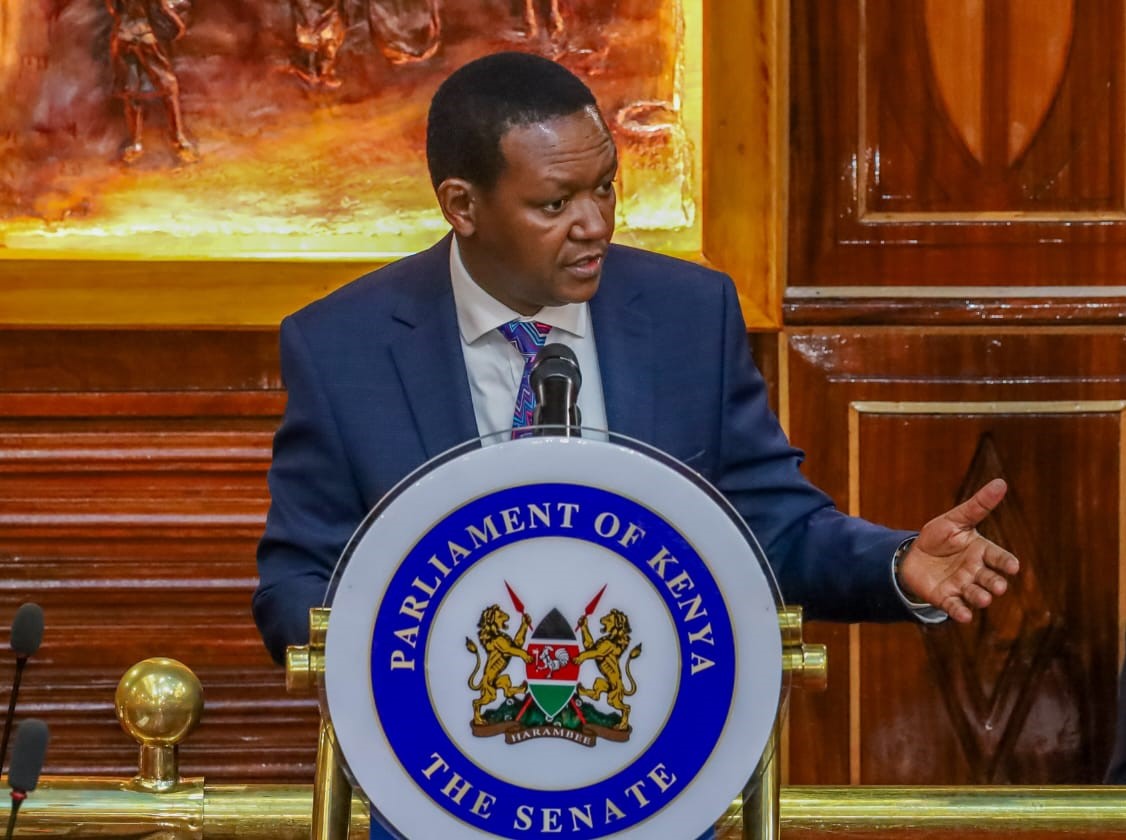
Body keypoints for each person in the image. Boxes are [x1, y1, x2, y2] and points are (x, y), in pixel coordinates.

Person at [253, 56, 1020, 832]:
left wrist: (898, 563)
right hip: (447, 791)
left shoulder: (688, 314)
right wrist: (415, 648)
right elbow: (296, 581)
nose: (595, 224)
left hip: (651, 786)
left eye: (605, 188)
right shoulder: (344, 345)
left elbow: (771, 529)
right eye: (555, 203)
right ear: (462, 205)